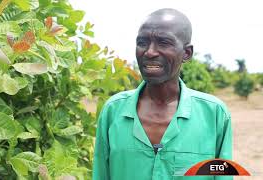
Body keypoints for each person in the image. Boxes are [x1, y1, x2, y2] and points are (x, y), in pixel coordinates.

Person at [92, 8, 232, 180]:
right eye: (142, 42)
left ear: (186, 53)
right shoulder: (113, 111)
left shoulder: (214, 114)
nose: (150, 52)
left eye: (164, 42)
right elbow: (100, 175)